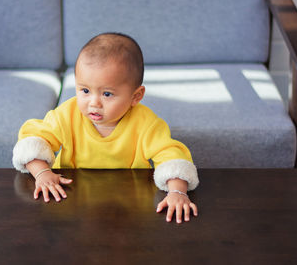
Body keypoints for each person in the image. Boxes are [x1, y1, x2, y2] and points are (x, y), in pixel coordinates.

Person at [12, 32, 199, 223]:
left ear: (136, 96)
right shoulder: (68, 113)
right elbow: (33, 140)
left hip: (127, 204)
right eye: (85, 91)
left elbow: (172, 156)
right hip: (70, 198)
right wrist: (43, 173)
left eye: (107, 94)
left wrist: (177, 192)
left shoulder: (146, 123)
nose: (94, 103)